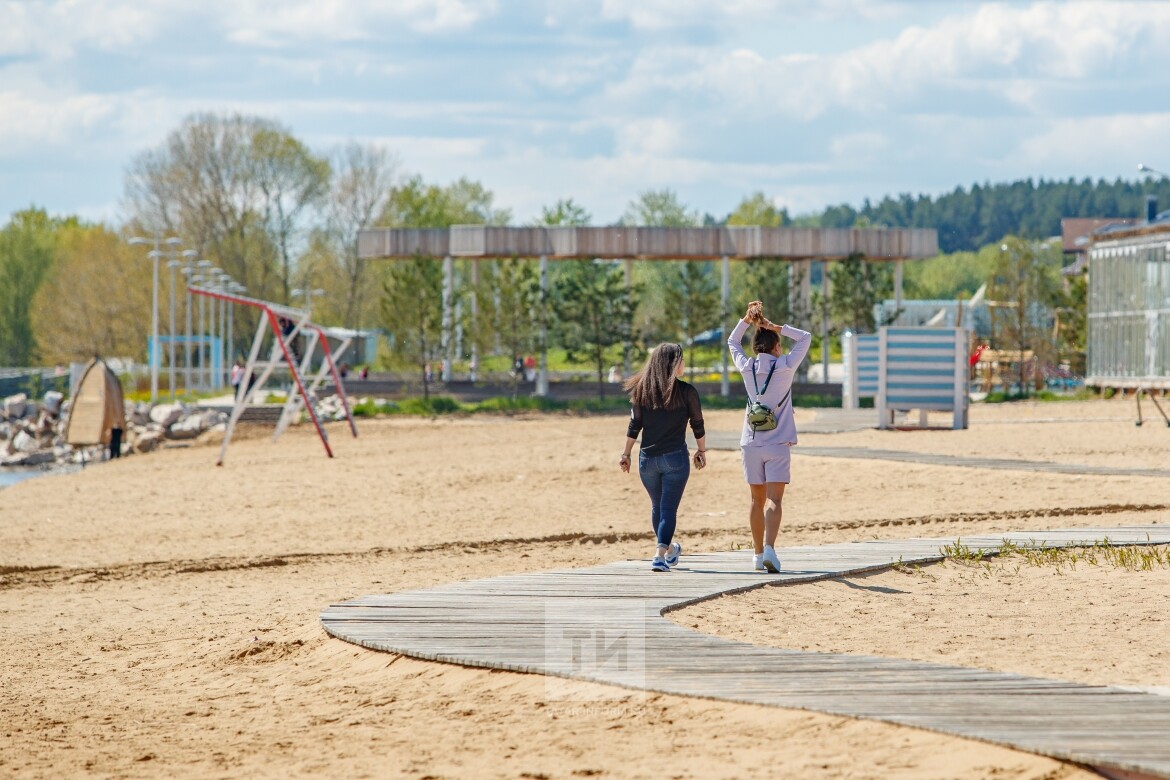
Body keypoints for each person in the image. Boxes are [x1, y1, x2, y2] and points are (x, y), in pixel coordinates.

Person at [728, 301, 811, 573]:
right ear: (776, 347)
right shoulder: (785, 366)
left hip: (750, 442)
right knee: (775, 500)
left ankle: (756, 554)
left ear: (756, 349)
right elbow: (805, 337)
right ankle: (771, 550)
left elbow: (732, 341)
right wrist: (774, 326)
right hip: (778, 442)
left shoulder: (746, 367)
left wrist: (747, 319)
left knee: (756, 499)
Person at [620, 343, 707, 572]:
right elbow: (697, 423)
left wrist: (626, 454)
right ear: (673, 364)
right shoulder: (687, 391)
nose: (684, 364)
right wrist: (701, 451)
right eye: (681, 359)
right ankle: (659, 556)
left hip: (646, 460)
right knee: (667, 509)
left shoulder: (641, 390)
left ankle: (669, 551)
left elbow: (634, 425)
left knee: (658, 507)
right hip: (675, 459)